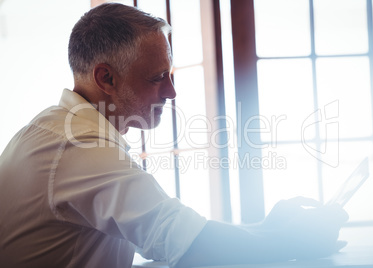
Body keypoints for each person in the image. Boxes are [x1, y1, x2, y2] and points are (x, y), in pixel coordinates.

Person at [0, 3, 348, 268]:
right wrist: (294, 240)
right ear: (105, 78)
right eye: (157, 78)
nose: (172, 92)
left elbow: (166, 234)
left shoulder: (57, 128)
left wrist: (266, 229)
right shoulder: (79, 147)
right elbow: (185, 243)